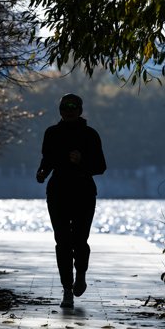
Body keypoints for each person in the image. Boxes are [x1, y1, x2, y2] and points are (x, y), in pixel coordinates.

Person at [36, 94, 107, 308]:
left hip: (83, 192)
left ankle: (81, 274)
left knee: (80, 240)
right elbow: (47, 159)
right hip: (58, 192)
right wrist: (42, 172)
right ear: (60, 110)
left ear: (80, 109)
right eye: (65, 107)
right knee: (62, 242)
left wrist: (82, 161)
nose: (69, 110)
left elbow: (101, 167)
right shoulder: (52, 133)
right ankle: (67, 289)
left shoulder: (90, 135)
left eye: (73, 107)